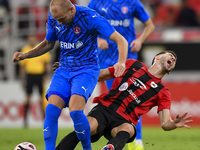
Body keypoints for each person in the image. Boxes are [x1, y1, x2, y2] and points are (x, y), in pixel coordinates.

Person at [12, 0, 128, 150]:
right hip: (64, 69)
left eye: (61, 19)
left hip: (86, 70)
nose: (59, 23)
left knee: (75, 111)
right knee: (51, 110)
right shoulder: (55, 17)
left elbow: (121, 40)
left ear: (72, 10)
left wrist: (121, 62)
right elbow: (48, 44)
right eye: (57, 20)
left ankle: (87, 148)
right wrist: (26, 55)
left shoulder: (90, 17)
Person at [55, 50, 193, 150]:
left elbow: (165, 123)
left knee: (128, 129)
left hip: (125, 120)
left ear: (169, 72)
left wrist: (173, 124)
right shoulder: (133, 65)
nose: (173, 58)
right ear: (157, 57)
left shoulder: (163, 92)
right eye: (171, 55)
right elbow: (101, 75)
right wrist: (72, 71)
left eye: (174, 60)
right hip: (105, 108)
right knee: (85, 128)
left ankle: (109, 148)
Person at [88, 0, 155, 149]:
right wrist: (97, 39)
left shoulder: (132, 3)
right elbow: (85, 26)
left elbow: (150, 25)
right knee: (115, 102)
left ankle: (137, 141)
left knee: (133, 100)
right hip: (107, 62)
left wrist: (140, 40)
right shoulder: (96, 3)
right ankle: (119, 136)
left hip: (128, 60)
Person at [19, 34, 51, 127]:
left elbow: (47, 64)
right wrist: (22, 79)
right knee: (28, 98)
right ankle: (25, 121)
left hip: (40, 75)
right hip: (30, 76)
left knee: (42, 99)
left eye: (33, 39)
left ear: (36, 40)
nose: (32, 41)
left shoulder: (40, 49)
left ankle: (44, 120)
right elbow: (22, 67)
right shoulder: (25, 50)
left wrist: (46, 75)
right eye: (30, 39)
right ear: (28, 40)